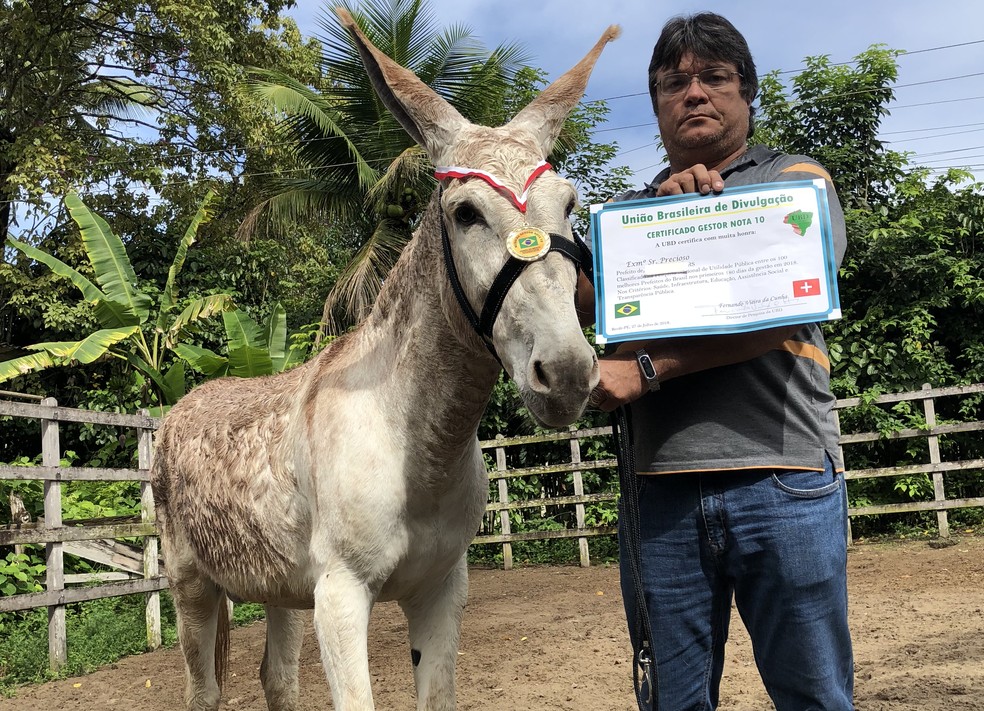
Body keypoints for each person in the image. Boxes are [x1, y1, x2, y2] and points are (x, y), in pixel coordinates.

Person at [577, 12, 854, 711]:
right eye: (674, 82)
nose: (693, 93)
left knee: (815, 695)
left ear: (746, 94)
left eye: (714, 78)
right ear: (657, 106)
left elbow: (789, 301)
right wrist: (658, 230)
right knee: (672, 702)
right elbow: (576, 305)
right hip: (658, 493)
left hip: (784, 478)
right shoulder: (632, 215)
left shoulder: (796, 181)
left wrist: (645, 369)